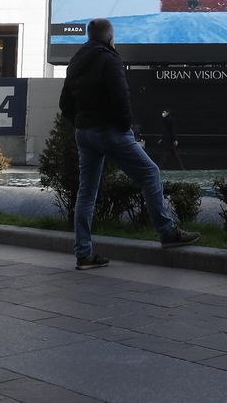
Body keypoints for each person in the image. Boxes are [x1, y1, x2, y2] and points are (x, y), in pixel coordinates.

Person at [59, 19, 199, 270]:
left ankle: (84, 254)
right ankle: (167, 233)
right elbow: (121, 97)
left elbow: (64, 104)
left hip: (85, 133)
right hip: (110, 131)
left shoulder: (76, 61)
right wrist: (124, 128)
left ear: (89, 37)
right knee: (150, 173)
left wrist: (80, 124)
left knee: (86, 193)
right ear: (110, 38)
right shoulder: (110, 59)